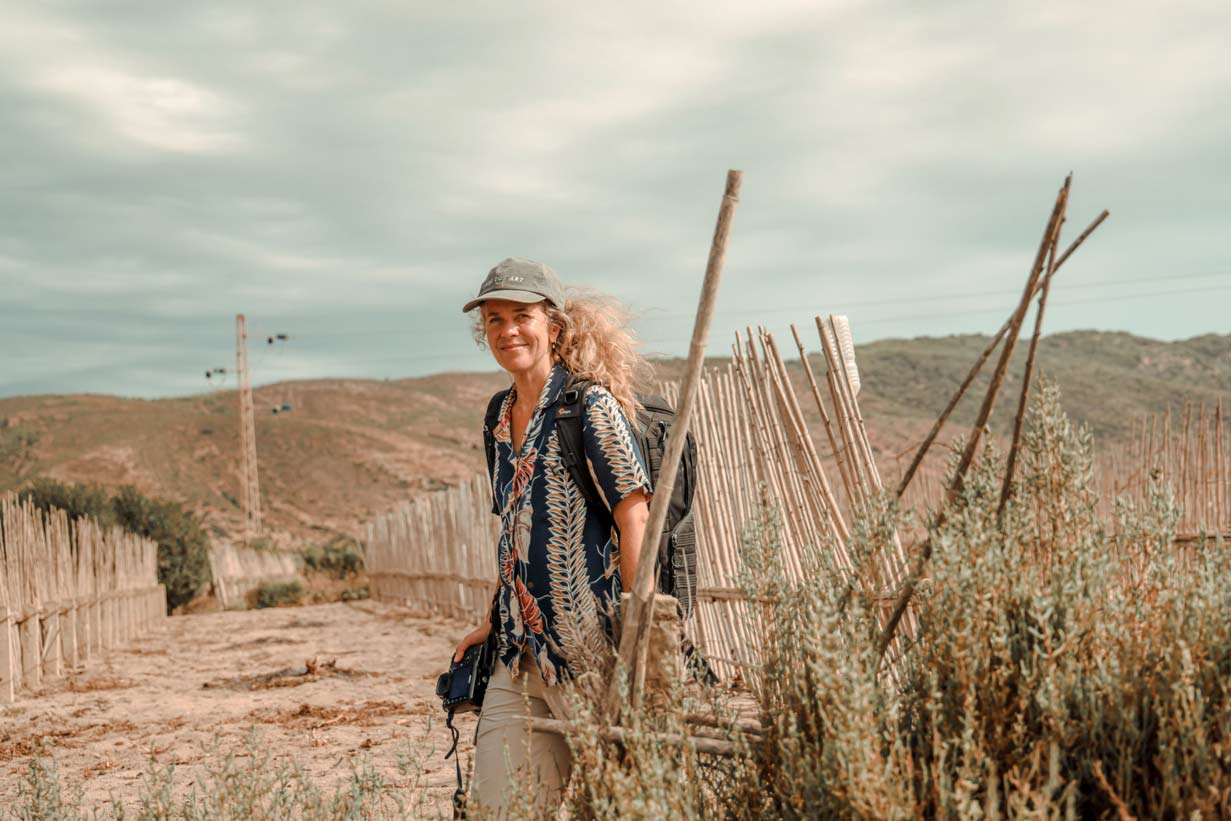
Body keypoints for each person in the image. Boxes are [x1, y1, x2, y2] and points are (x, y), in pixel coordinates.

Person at [455, 257, 653, 816]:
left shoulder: (588, 405)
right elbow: (515, 529)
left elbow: (634, 517)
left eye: (521, 315)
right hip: (518, 658)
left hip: (591, 653)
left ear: (553, 326)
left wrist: (638, 632)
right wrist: (495, 619)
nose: (507, 330)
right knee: (500, 808)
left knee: (622, 804)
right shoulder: (497, 416)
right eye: (494, 320)